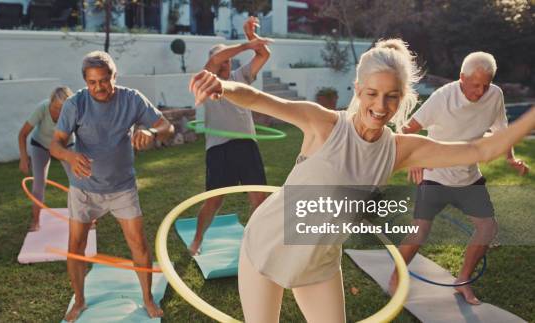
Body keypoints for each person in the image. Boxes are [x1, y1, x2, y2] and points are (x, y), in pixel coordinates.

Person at [189, 39, 535, 322]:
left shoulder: (402, 150)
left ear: (403, 99)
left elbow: (480, 148)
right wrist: (223, 85)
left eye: (392, 96)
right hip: (266, 247)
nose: (381, 106)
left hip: (319, 262)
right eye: (371, 93)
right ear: (357, 90)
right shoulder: (323, 125)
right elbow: (260, 99)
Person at [388, 52, 530, 305]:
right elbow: (407, 130)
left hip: (468, 176)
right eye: (476, 84)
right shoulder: (443, 97)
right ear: (461, 78)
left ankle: (462, 280)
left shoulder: (494, 95)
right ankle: (395, 280)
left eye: (486, 84)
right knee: (420, 231)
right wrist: (417, 159)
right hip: (436, 175)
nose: (481, 91)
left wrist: (510, 158)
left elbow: (502, 131)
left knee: (488, 228)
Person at [50, 51, 174, 322]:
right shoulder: (75, 104)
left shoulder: (132, 99)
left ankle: (147, 298)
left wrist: (152, 132)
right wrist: (70, 156)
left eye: (104, 81)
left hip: (121, 186)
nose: (99, 88)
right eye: (92, 82)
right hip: (83, 187)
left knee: (139, 244)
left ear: (114, 77)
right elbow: (55, 143)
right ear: (85, 81)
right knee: (76, 247)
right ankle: (80, 301)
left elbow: (168, 127)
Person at [189, 16, 272, 256]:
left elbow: (264, 56)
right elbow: (215, 59)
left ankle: (258, 245)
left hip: (246, 144)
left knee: (259, 198)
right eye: (223, 62)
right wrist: (247, 46)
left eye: (229, 62)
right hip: (219, 147)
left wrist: (251, 37)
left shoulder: (240, 77)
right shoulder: (205, 80)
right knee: (214, 200)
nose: (226, 66)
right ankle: (196, 241)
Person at [18, 86, 73, 231]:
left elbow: (84, 134)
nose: (58, 112)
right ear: (50, 102)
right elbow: (22, 134)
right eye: (55, 107)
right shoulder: (42, 108)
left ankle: (85, 219)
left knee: (78, 182)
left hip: (65, 145)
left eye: (62, 109)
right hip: (40, 145)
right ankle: (35, 221)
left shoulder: (73, 113)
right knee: (38, 184)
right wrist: (24, 158)